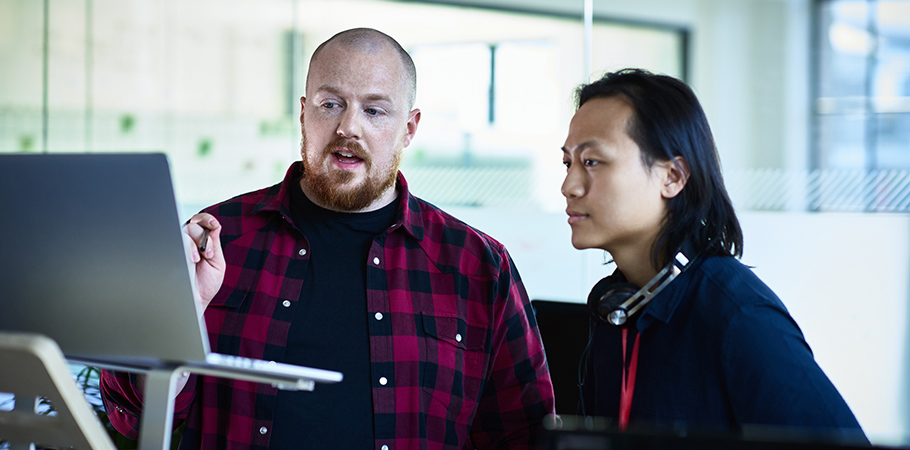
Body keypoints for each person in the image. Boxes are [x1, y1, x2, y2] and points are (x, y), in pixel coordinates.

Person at [100, 28, 555, 449]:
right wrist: (182, 314)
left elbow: (523, 437)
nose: (348, 128)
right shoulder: (216, 241)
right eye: (330, 104)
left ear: (409, 128)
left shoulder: (478, 266)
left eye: (374, 110)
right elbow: (134, 419)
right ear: (303, 114)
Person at [561, 68, 866, 442]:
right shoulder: (618, 307)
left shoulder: (739, 316)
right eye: (568, 163)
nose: (569, 186)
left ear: (672, 176)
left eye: (592, 162)